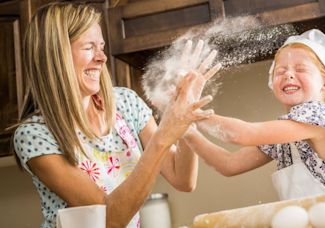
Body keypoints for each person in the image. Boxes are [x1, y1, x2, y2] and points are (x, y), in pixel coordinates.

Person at [12, 2, 220, 228]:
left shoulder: (125, 103)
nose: (101, 57)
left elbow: (182, 178)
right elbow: (108, 220)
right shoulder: (34, 135)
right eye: (89, 47)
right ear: (55, 54)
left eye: (101, 46)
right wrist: (164, 136)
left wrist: (186, 117)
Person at [182, 29, 325, 223]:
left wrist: (191, 112)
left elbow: (242, 134)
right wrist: (186, 130)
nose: (288, 75)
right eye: (280, 71)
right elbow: (229, 164)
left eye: (301, 69)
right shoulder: (285, 135)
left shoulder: (319, 117)